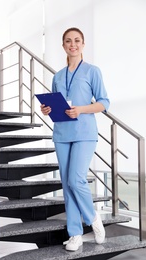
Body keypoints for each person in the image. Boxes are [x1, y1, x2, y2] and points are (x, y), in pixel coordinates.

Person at [41, 27, 110, 251]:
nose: (73, 44)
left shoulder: (92, 71)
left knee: (76, 179)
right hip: (62, 133)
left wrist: (80, 109)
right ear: (63, 46)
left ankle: (93, 219)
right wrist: (47, 109)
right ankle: (75, 235)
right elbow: (56, 105)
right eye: (68, 41)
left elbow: (104, 103)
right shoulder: (57, 76)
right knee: (67, 185)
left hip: (84, 133)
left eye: (77, 40)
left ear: (83, 44)